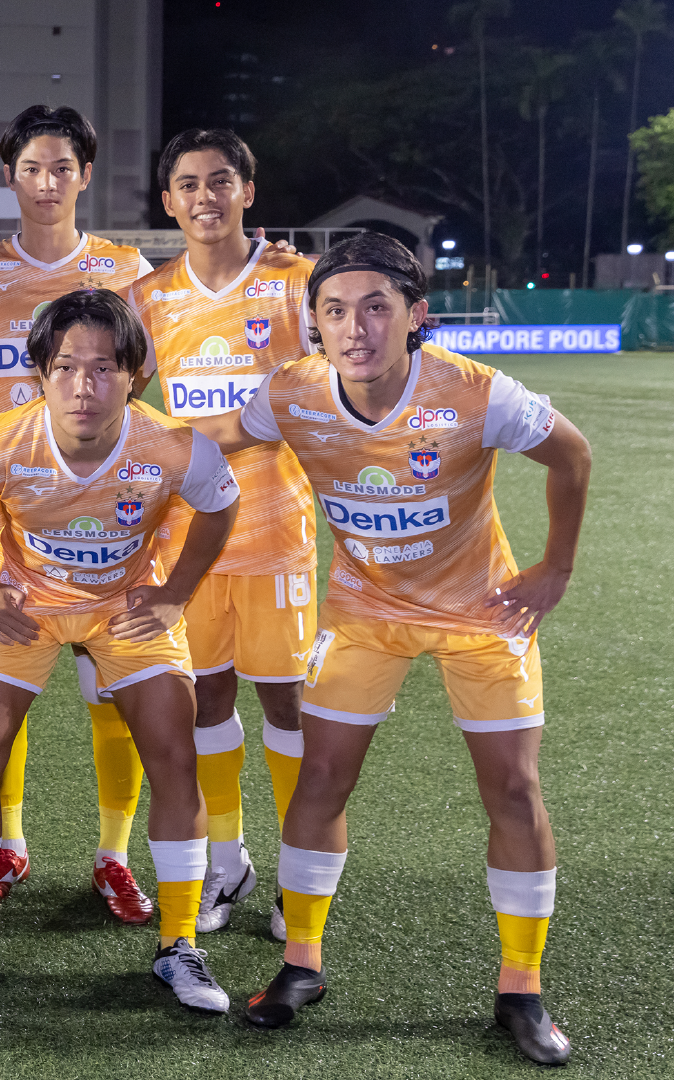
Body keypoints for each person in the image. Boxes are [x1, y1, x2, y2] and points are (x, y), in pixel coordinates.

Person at [189, 233, 590, 1065]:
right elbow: (215, 435)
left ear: (416, 316)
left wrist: (555, 567)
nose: (356, 327)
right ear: (316, 322)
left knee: (514, 790)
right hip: (365, 612)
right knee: (321, 778)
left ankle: (522, 988)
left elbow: (571, 453)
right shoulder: (294, 392)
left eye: (376, 307)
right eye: (335, 310)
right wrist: (120, 435)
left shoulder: (475, 393)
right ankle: (302, 964)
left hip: (480, 613)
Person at [0, 288, 240, 1013]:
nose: (83, 386)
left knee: (174, 752)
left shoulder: (174, 447)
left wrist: (176, 592)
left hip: (125, 609)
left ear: (133, 375)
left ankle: (180, 943)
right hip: (25, 607)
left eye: (103, 368)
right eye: (65, 367)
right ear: (41, 373)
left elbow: (221, 506)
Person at [0, 104, 155, 909]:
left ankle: (113, 854)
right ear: (10, 177)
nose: (47, 182)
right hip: (8, 508)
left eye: (62, 168)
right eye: (32, 169)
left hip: (110, 510)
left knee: (111, 688)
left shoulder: (125, 267)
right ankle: (9, 844)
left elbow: (147, 371)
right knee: (4, 689)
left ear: (85, 176)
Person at [129, 128, 317, 938]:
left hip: (278, 534)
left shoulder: (298, 282)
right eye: (188, 184)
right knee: (206, 696)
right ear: (168, 202)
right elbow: (121, 394)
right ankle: (227, 860)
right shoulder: (149, 296)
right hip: (192, 539)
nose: (204, 196)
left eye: (219, 181)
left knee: (287, 702)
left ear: (248, 190)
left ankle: (299, 873)